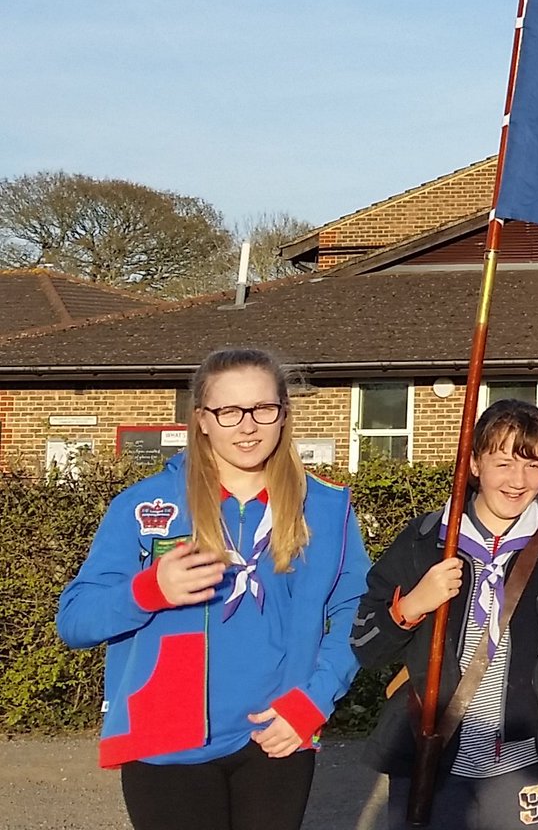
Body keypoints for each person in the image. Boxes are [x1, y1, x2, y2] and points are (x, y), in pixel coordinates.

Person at [57, 347, 370, 830]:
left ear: (283, 415)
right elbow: (75, 619)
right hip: (166, 739)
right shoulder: (144, 505)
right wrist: (146, 591)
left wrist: (313, 700)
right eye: (228, 411)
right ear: (201, 419)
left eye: (262, 409)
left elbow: (359, 614)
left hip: (277, 731)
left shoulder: (327, 507)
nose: (247, 426)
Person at [352, 399, 538, 829]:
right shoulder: (426, 539)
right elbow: (364, 645)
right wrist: (415, 603)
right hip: (432, 759)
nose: (518, 480)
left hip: (526, 761)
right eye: (503, 462)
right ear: (473, 463)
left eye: (533, 465)